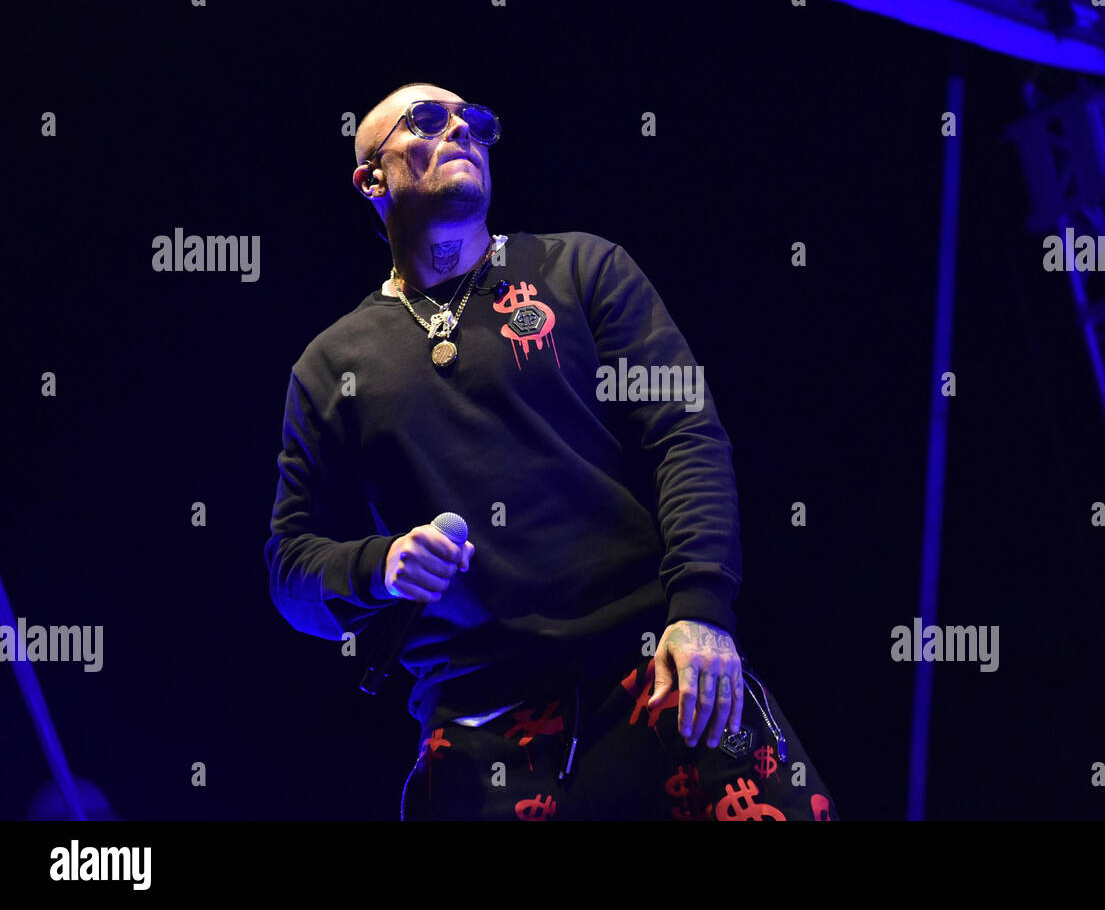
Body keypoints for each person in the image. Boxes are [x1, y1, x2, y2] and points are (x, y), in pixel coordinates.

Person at [265, 82, 838, 820]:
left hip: (653, 667)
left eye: (475, 121)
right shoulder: (329, 363)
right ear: (371, 178)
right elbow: (289, 570)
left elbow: (686, 435)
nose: (461, 131)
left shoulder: (584, 270)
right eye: (429, 120)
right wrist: (378, 566)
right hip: (482, 724)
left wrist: (702, 607)